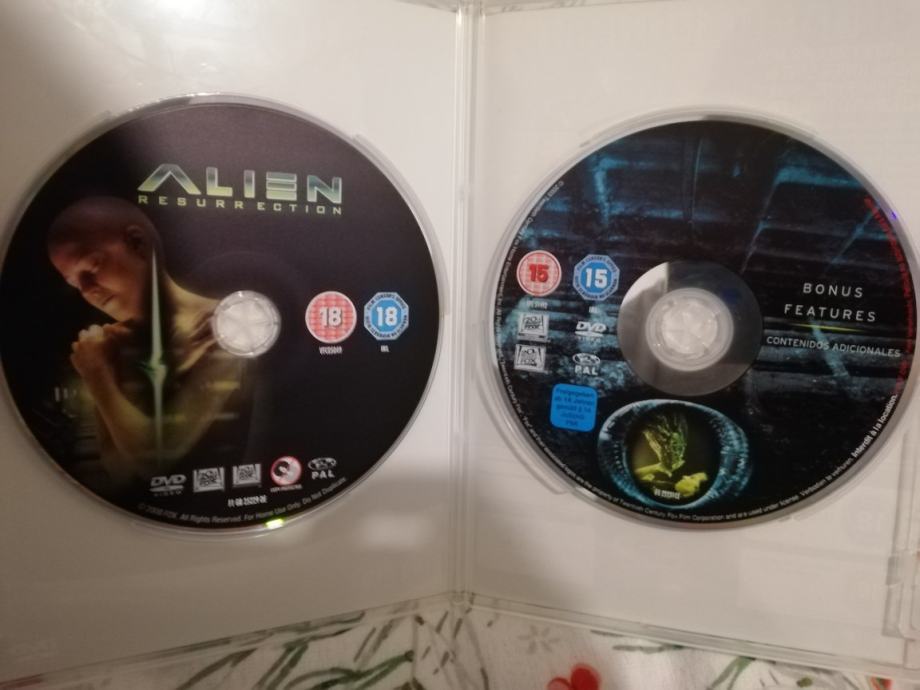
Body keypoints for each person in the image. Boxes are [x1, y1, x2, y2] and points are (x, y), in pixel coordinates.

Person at [47, 196, 245, 489]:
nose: (88, 291)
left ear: (137, 243)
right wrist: (106, 370)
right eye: (75, 283)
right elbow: (119, 470)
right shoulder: (115, 346)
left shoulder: (229, 325)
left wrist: (97, 373)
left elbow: (152, 461)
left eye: (92, 267)